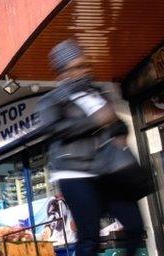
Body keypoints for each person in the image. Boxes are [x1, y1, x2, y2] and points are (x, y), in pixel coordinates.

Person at [36, 39, 144, 256]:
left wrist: (120, 134)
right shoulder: (53, 100)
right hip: (74, 171)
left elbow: (117, 123)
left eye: (85, 66)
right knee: (89, 237)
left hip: (107, 170)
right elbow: (54, 129)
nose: (83, 72)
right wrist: (94, 121)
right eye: (75, 68)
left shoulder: (98, 92)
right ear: (62, 73)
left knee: (134, 227)